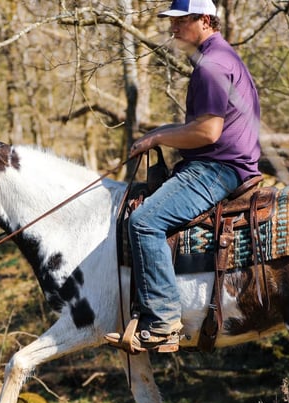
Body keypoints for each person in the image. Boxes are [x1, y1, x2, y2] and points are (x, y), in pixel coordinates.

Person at [105, 0, 261, 353]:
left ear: (205, 20)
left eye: (181, 21)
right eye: (171, 21)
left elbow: (207, 132)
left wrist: (158, 137)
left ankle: (162, 322)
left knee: (144, 222)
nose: (173, 28)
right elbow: (204, 125)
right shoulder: (223, 57)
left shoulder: (211, 65)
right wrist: (160, 131)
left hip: (218, 168)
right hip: (228, 163)